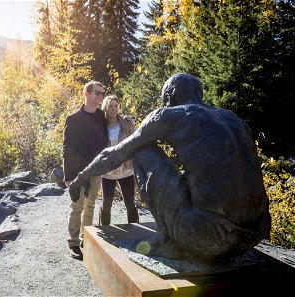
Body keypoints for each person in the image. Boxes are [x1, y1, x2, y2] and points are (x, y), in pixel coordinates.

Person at [69, 73, 271, 260]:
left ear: (171, 96)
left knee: (141, 150)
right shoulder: (232, 118)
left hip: (208, 237)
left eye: (165, 98)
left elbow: (116, 154)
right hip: (253, 235)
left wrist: (81, 177)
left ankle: (167, 241)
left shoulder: (168, 115)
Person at [63, 80, 108, 260]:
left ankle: (85, 238)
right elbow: (67, 148)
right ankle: (73, 243)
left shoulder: (101, 117)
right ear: (86, 94)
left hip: (96, 170)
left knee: (90, 206)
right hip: (78, 172)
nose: (100, 97)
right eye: (97, 93)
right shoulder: (73, 119)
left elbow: (110, 132)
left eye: (101, 93)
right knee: (77, 206)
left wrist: (125, 119)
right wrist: (68, 176)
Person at [99, 95, 138, 225]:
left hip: (126, 170)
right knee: (106, 205)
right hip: (108, 171)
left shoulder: (126, 123)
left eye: (116, 106)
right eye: (110, 106)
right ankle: (105, 233)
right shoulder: (100, 125)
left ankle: (135, 231)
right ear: (105, 107)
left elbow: (135, 141)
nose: (113, 109)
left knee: (130, 203)